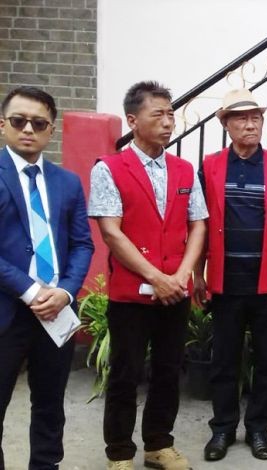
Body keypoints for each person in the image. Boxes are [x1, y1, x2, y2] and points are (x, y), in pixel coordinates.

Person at [89, 81, 208, 470]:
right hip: (130, 294)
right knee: (125, 372)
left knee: (169, 370)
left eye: (171, 113)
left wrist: (182, 274)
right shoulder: (109, 168)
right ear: (132, 120)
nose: (168, 121)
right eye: (158, 114)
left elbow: (199, 226)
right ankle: (119, 452)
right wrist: (156, 276)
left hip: (175, 289)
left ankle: (159, 444)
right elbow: (111, 231)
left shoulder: (184, 169)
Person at [194, 88, 267, 462]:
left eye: (256, 116)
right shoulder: (209, 166)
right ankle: (223, 429)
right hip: (225, 280)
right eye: (241, 117)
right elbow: (199, 224)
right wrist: (197, 273)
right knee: (224, 360)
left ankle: (258, 429)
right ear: (226, 124)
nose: (251, 123)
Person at [0, 86, 94, 469]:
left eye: (38, 124)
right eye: (19, 121)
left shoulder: (67, 182)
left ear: (50, 130)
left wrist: (67, 292)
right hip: (7, 310)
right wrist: (29, 289)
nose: (28, 130)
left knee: (51, 406)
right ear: (3, 124)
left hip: (56, 311)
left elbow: (82, 244)